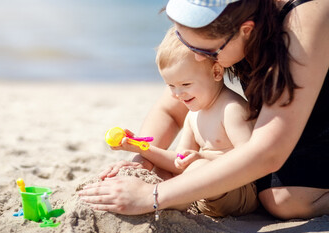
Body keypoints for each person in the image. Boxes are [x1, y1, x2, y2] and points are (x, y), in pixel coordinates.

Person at [79, 0, 329, 220]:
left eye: (205, 51)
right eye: (185, 41)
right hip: (292, 113)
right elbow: (170, 110)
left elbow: (269, 151)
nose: (198, 58)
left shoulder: (307, 17)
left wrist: (153, 196)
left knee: (286, 201)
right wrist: (141, 162)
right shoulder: (226, 26)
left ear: (246, 30)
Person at [106, 26, 258, 217]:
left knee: (197, 167)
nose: (178, 94)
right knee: (162, 169)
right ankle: (166, 197)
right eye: (171, 86)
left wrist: (202, 159)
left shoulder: (231, 109)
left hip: (236, 190)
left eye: (185, 84)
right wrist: (139, 148)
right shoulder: (193, 113)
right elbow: (179, 161)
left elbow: (250, 158)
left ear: (217, 72)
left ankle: (170, 200)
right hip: (204, 189)